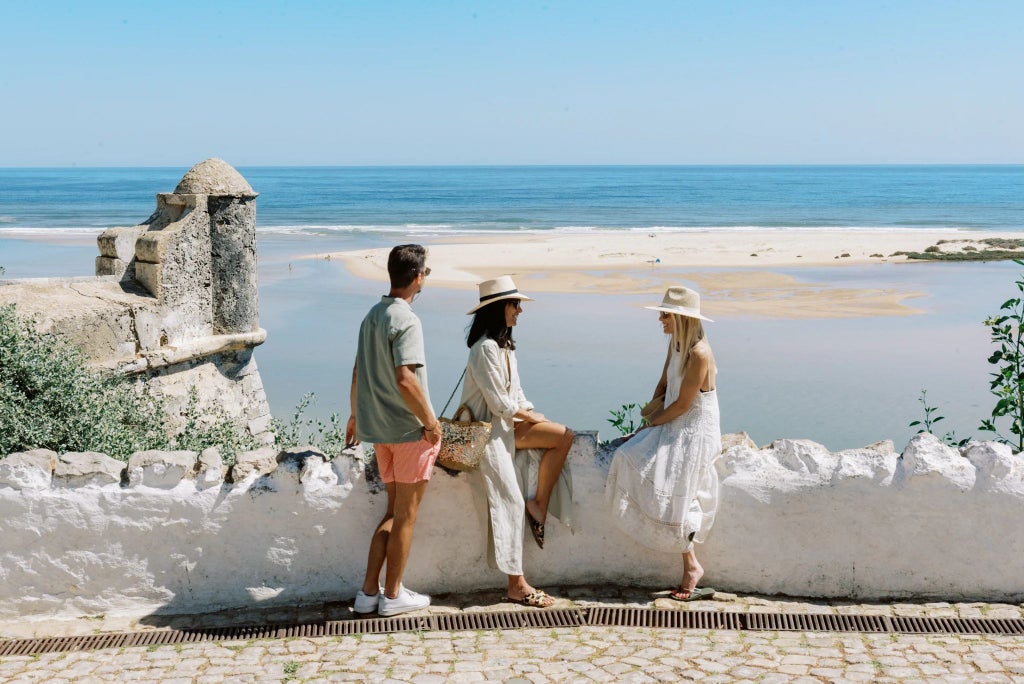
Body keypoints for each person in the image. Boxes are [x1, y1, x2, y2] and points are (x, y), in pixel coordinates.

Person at [458, 275, 574, 608]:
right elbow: (499, 405)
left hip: (506, 430)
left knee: (563, 436)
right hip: (486, 437)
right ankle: (517, 585)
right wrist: (533, 418)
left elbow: (518, 396)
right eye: (515, 304)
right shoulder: (484, 350)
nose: (520, 311)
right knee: (509, 501)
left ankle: (540, 504)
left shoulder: (506, 348)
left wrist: (535, 415)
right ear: (499, 308)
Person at [605, 286, 721, 602]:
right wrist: (648, 417)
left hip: (693, 428)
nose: (660, 319)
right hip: (673, 419)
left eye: (665, 314)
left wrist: (649, 425)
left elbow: (684, 405)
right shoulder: (678, 344)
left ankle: (692, 567)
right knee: (627, 455)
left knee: (676, 490)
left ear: (681, 318)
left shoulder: (699, 353)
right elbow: (664, 384)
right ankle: (691, 565)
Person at [346, 244, 442, 617]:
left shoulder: (371, 316)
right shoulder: (407, 319)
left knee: (391, 511)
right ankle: (393, 595)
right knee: (406, 517)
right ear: (417, 277)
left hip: (379, 433)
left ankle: (368, 593)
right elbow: (406, 378)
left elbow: (358, 372)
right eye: (425, 274)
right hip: (407, 432)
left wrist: (355, 416)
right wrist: (431, 423)